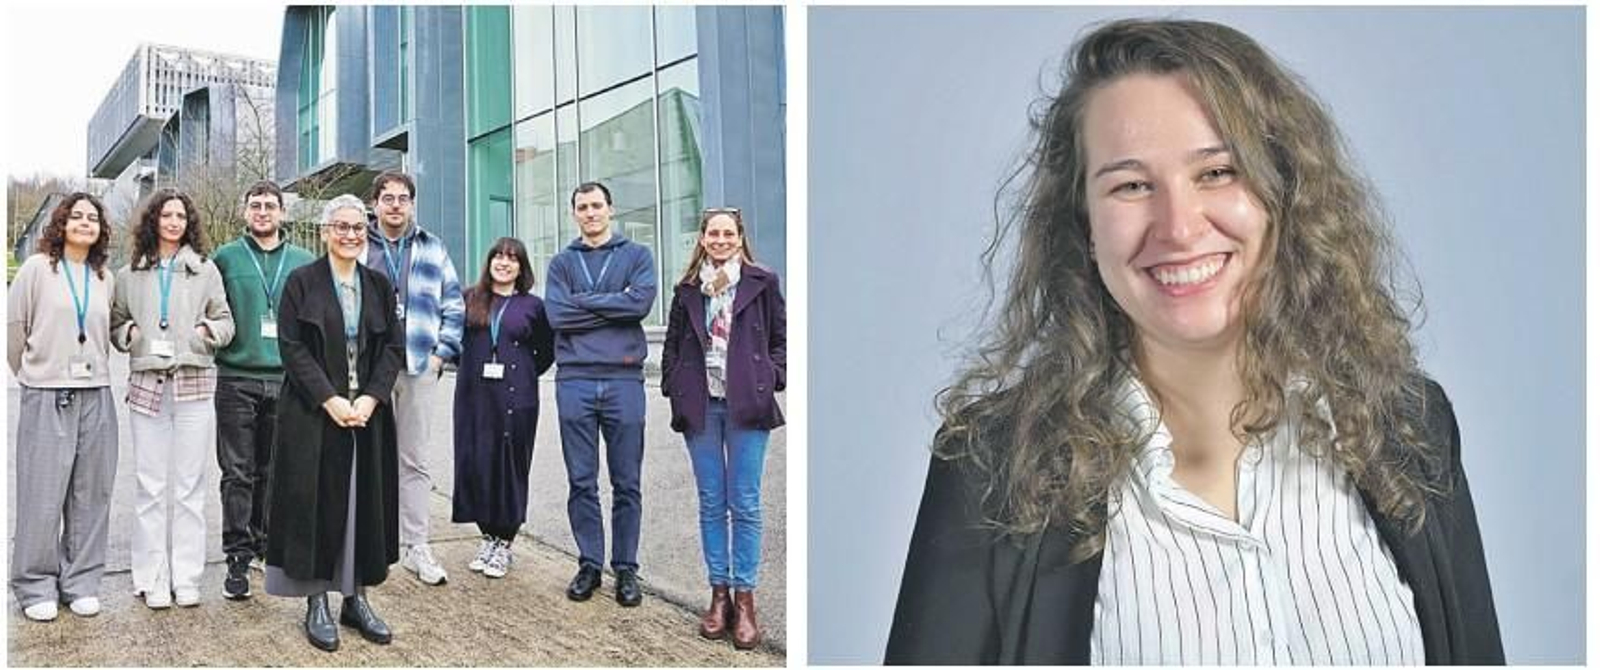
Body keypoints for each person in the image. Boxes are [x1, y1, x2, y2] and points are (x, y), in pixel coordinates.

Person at [885, 19, 1503, 664]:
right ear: (1084, 225)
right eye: (1131, 185)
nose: (1178, 228)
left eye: (1217, 172)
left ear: (1283, 193)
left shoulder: (1406, 428)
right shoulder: (993, 469)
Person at [265, 194, 404, 652]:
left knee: (363, 505)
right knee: (316, 505)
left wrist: (371, 398)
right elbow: (292, 348)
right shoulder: (301, 282)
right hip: (313, 413)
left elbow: (393, 348)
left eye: (358, 228)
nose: (350, 235)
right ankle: (317, 601)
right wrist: (329, 398)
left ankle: (356, 598)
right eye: (341, 227)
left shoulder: (378, 285)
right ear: (325, 232)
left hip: (366, 414)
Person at [662, 207, 786, 649]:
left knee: (745, 502)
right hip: (701, 405)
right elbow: (673, 343)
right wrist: (673, 384)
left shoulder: (762, 281)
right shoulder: (687, 289)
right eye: (712, 233)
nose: (720, 240)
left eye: (727, 233)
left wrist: (772, 376)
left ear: (739, 237)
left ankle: (745, 599)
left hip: (747, 404)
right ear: (702, 239)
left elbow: (780, 338)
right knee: (712, 501)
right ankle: (719, 595)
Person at [111, 189, 235, 610]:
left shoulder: (205, 269)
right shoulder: (129, 273)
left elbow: (225, 320)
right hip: (148, 385)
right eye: (166, 215)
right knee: (149, 486)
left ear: (189, 223)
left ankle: (186, 577)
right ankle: (152, 577)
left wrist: (204, 334)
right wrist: (129, 335)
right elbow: (116, 321)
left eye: (181, 216)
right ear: (153, 220)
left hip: (193, 383)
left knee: (189, 486)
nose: (174, 222)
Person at [7, 193, 119, 622]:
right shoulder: (38, 269)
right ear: (61, 223)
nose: (85, 223)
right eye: (77, 216)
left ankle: (81, 581)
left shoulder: (103, 276)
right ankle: (35, 584)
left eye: (93, 218)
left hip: (96, 391)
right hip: (48, 391)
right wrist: (34, 373)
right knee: (42, 492)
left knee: (92, 492)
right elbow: (15, 332)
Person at [546, 181, 658, 606]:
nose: (590, 213)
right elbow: (558, 315)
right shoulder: (562, 263)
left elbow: (639, 305)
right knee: (581, 480)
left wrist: (585, 302)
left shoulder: (637, 256)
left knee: (626, 481)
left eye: (597, 205)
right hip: (574, 379)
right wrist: (614, 304)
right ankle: (590, 563)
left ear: (611, 209)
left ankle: (626, 568)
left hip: (623, 379)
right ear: (574, 214)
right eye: (582, 207)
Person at [212, 180, 316, 600]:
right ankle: (237, 556)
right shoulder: (226, 258)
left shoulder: (304, 261)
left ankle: (266, 543)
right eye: (255, 205)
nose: (262, 211)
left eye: (270, 205)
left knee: (273, 471)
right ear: (245, 211)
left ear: (282, 213)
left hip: (286, 379)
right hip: (236, 377)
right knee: (237, 472)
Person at [363, 170, 464, 586]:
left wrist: (442, 354)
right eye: (387, 198)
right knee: (367, 456)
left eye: (403, 198)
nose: (395, 205)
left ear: (411, 203)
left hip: (419, 365)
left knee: (415, 460)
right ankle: (367, 545)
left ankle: (417, 546)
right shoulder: (359, 244)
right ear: (375, 204)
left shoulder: (432, 246)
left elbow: (453, 304)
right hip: (370, 369)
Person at [451, 237, 556, 579]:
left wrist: (522, 374)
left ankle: (505, 544)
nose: (504, 263)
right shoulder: (469, 298)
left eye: (512, 258)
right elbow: (453, 342)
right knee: (475, 463)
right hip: (474, 397)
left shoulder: (533, 306)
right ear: (489, 262)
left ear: (521, 267)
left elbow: (546, 350)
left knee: (510, 466)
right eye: (498, 256)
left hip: (516, 399)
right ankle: (488, 538)